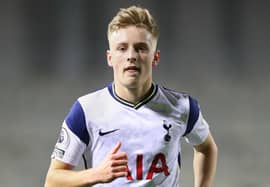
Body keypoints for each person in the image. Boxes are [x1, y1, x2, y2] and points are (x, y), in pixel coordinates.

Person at [44, 5, 218, 187]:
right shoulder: (87, 110)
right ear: (109, 58)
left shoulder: (182, 106)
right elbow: (52, 180)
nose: (131, 56)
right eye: (122, 48)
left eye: (141, 48)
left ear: (155, 57)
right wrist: (96, 174)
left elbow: (206, 148)